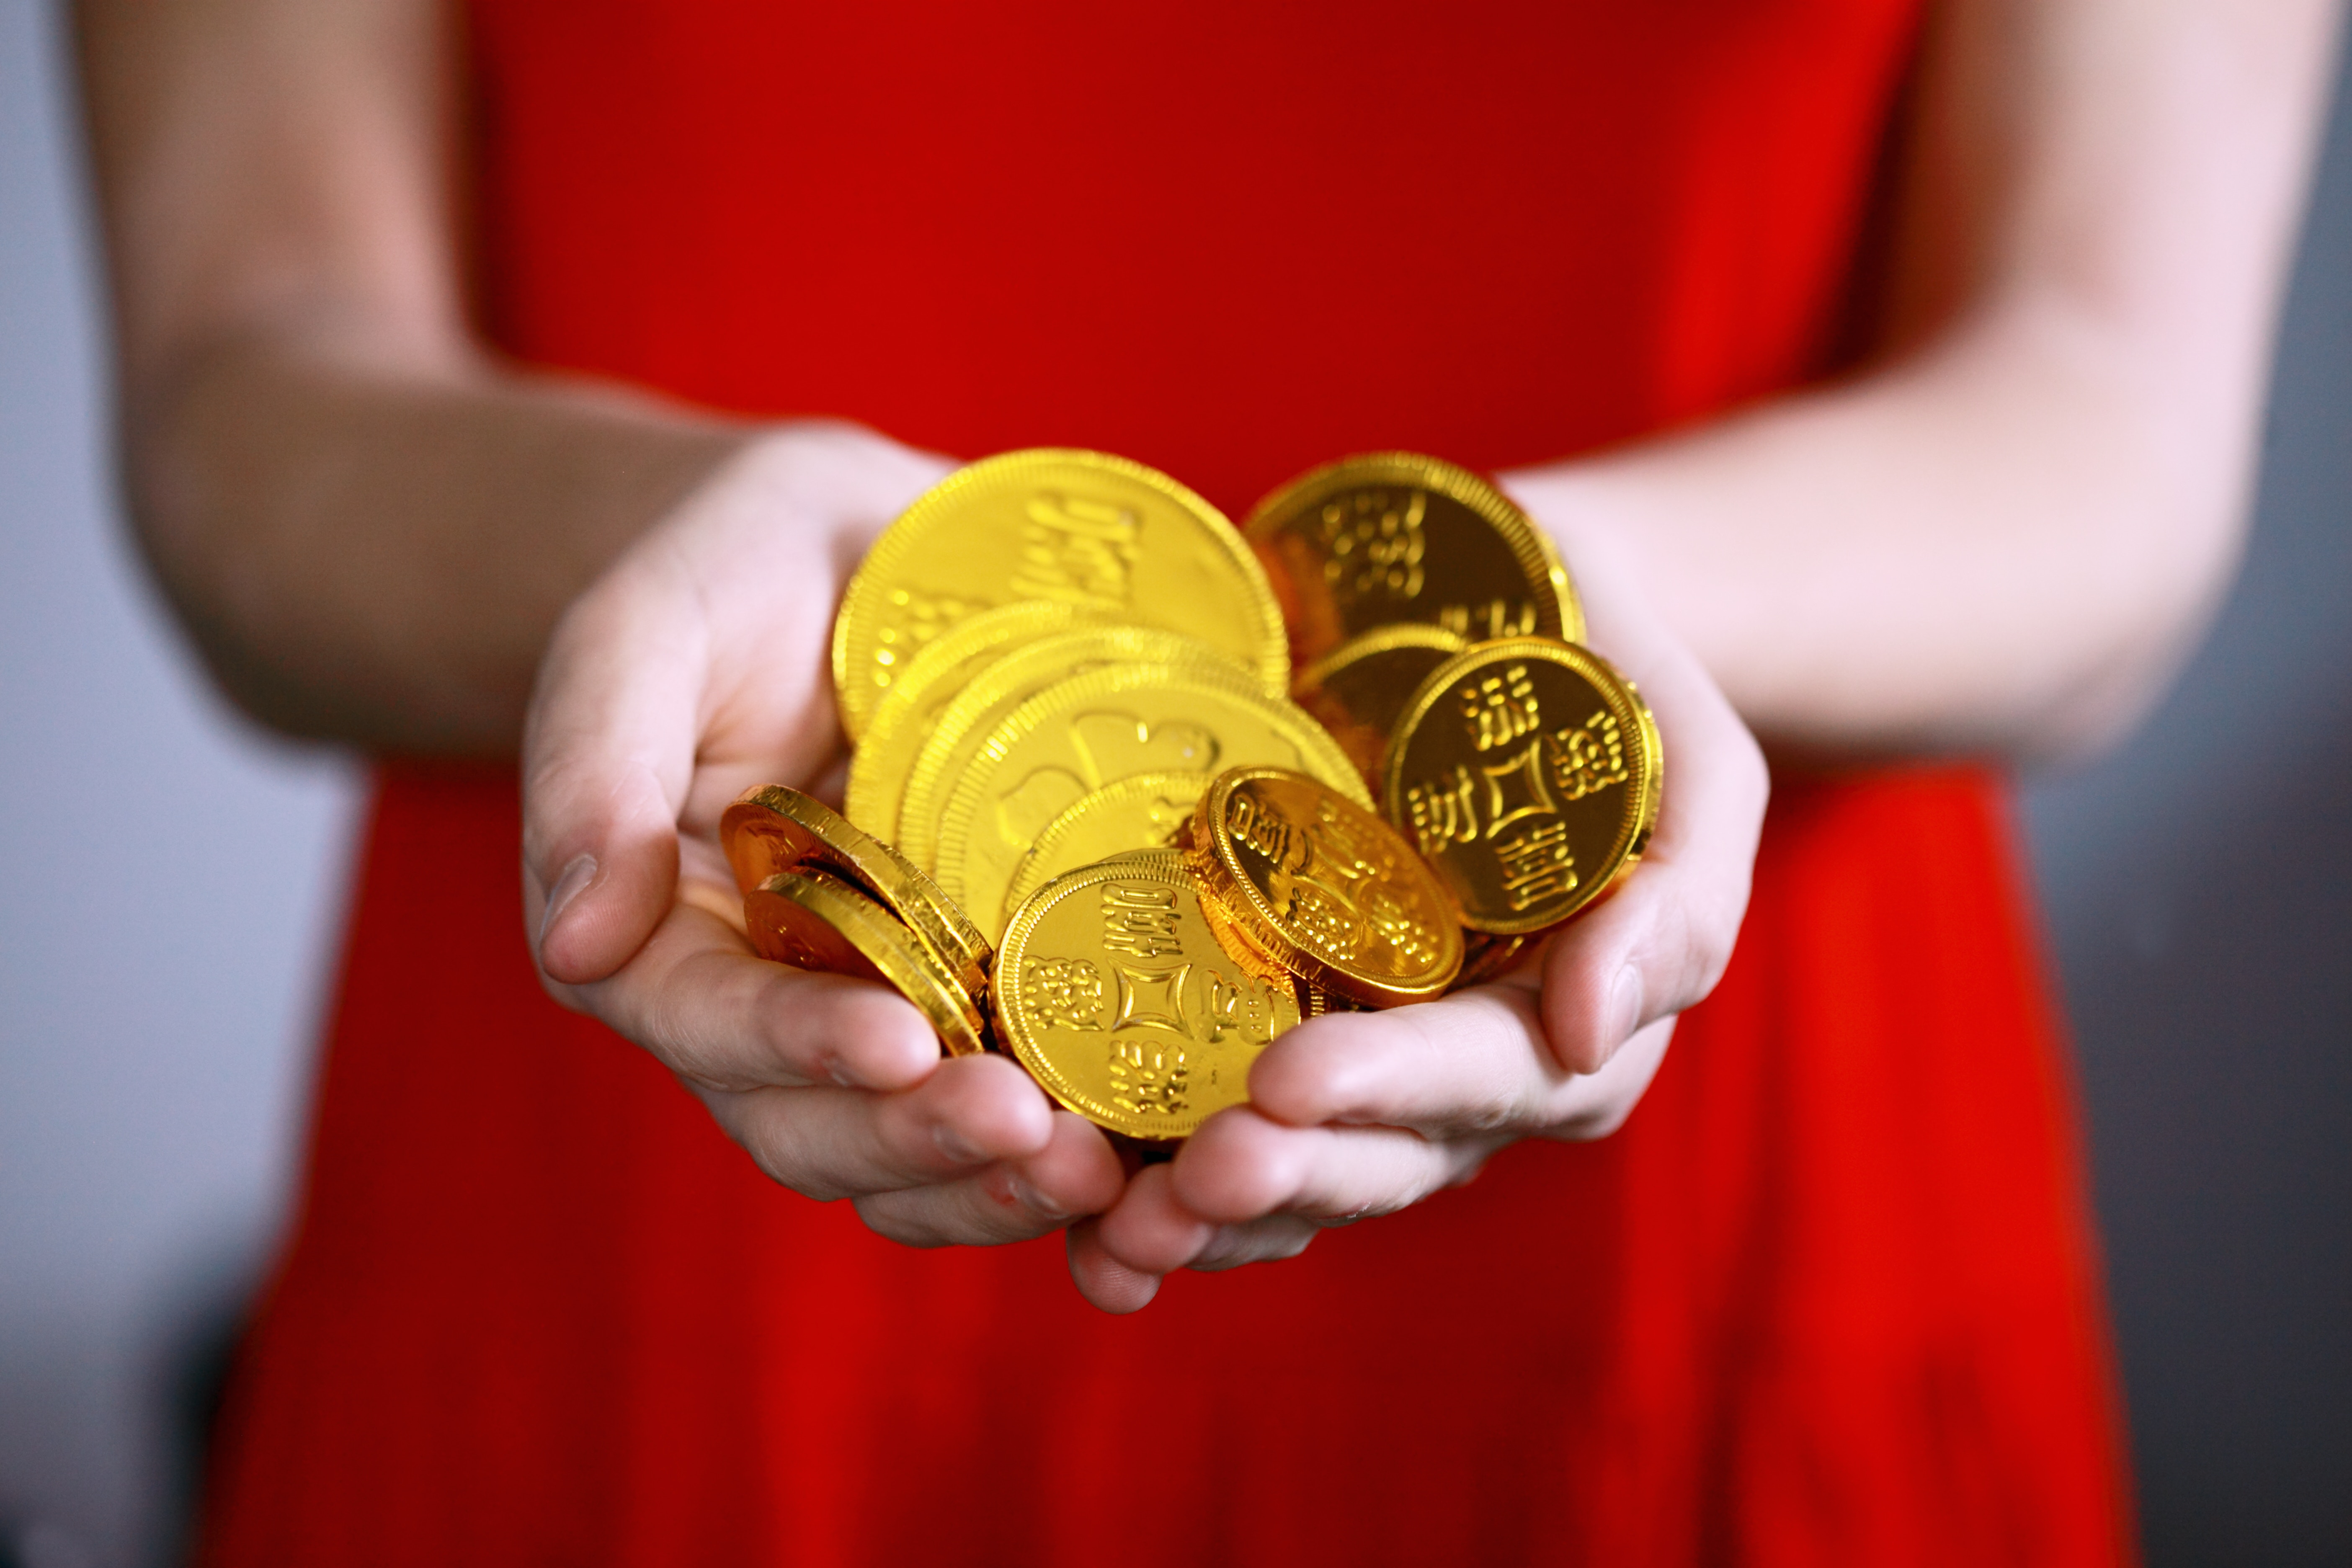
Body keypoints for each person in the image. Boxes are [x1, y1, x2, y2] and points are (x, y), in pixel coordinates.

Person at [75, 0, 2340, 1561]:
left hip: (1699, 1267)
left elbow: (2111, 425)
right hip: (647, 1185)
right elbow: (246, 388)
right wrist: (672, 546)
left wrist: (1545, 619)